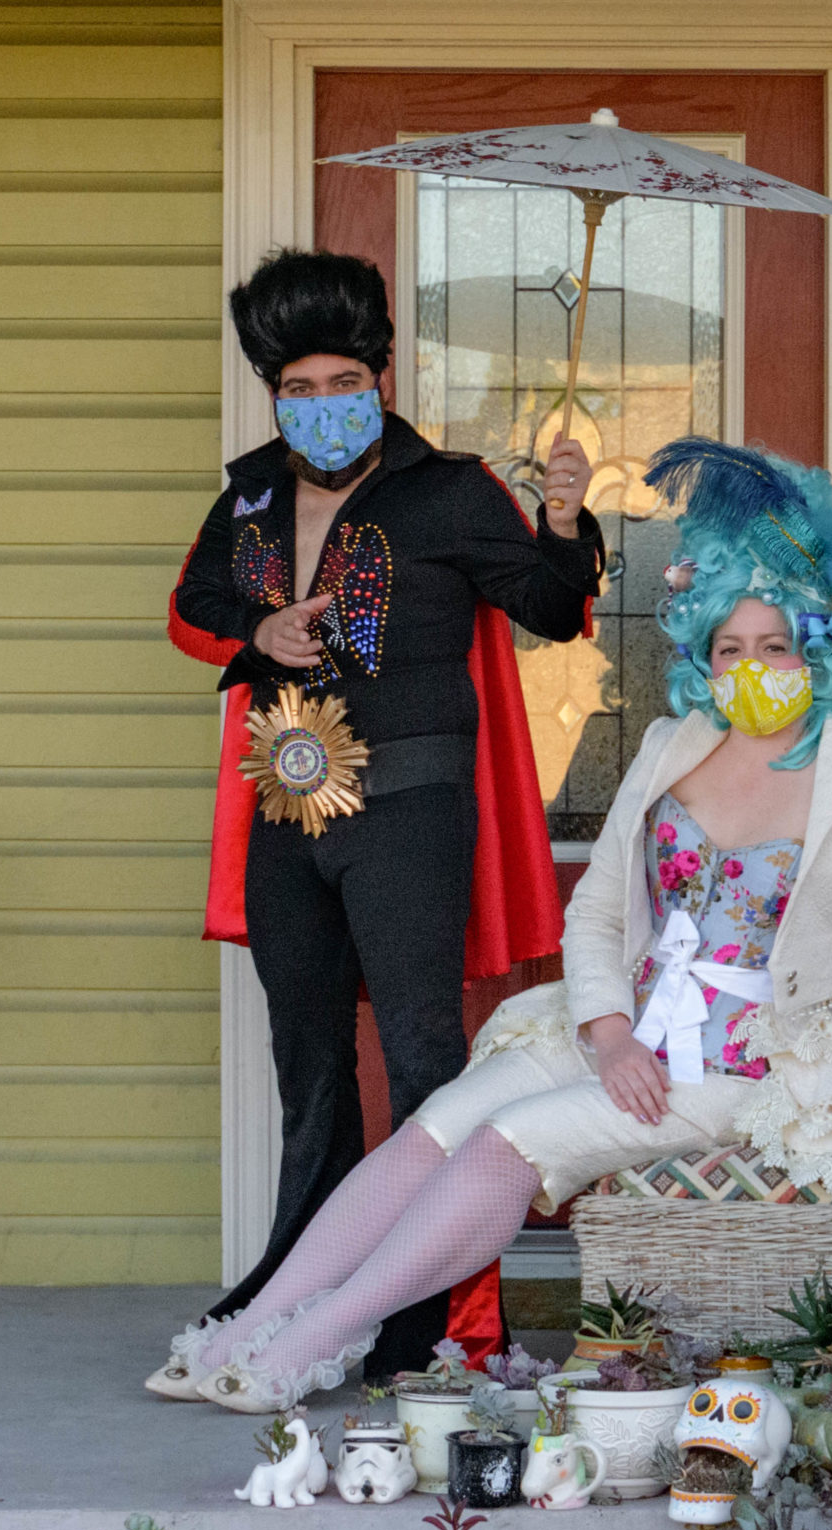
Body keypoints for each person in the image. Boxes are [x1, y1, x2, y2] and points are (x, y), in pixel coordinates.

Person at [152, 439, 832, 1413]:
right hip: (623, 1028)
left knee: (507, 1143)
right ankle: (247, 1325)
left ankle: (302, 1348)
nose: (752, 666)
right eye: (730, 647)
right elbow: (598, 906)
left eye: (774, 646)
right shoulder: (672, 744)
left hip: (755, 1061)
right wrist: (605, 1028)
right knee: (434, 1124)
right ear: (703, 653)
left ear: (814, 644)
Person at [151, 250, 603, 1397]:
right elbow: (190, 608)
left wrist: (560, 518)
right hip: (282, 811)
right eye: (295, 385)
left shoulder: (450, 489)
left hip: (412, 809)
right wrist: (262, 631)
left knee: (422, 1062)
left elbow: (552, 609)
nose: (319, 403)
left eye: (340, 378)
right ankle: (297, 1288)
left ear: (382, 372)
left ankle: (440, 1322)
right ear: (272, 388)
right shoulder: (250, 491)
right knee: (307, 1062)